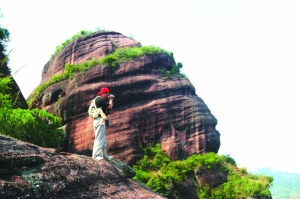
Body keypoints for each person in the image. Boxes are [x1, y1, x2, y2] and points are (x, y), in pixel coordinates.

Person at [92, 87, 114, 160]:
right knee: (99, 139)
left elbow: (106, 108)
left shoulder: (98, 99)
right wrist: (111, 99)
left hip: (99, 120)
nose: (108, 95)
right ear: (104, 93)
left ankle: (104, 155)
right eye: (107, 93)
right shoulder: (100, 99)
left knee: (103, 139)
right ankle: (95, 156)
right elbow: (110, 107)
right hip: (100, 121)